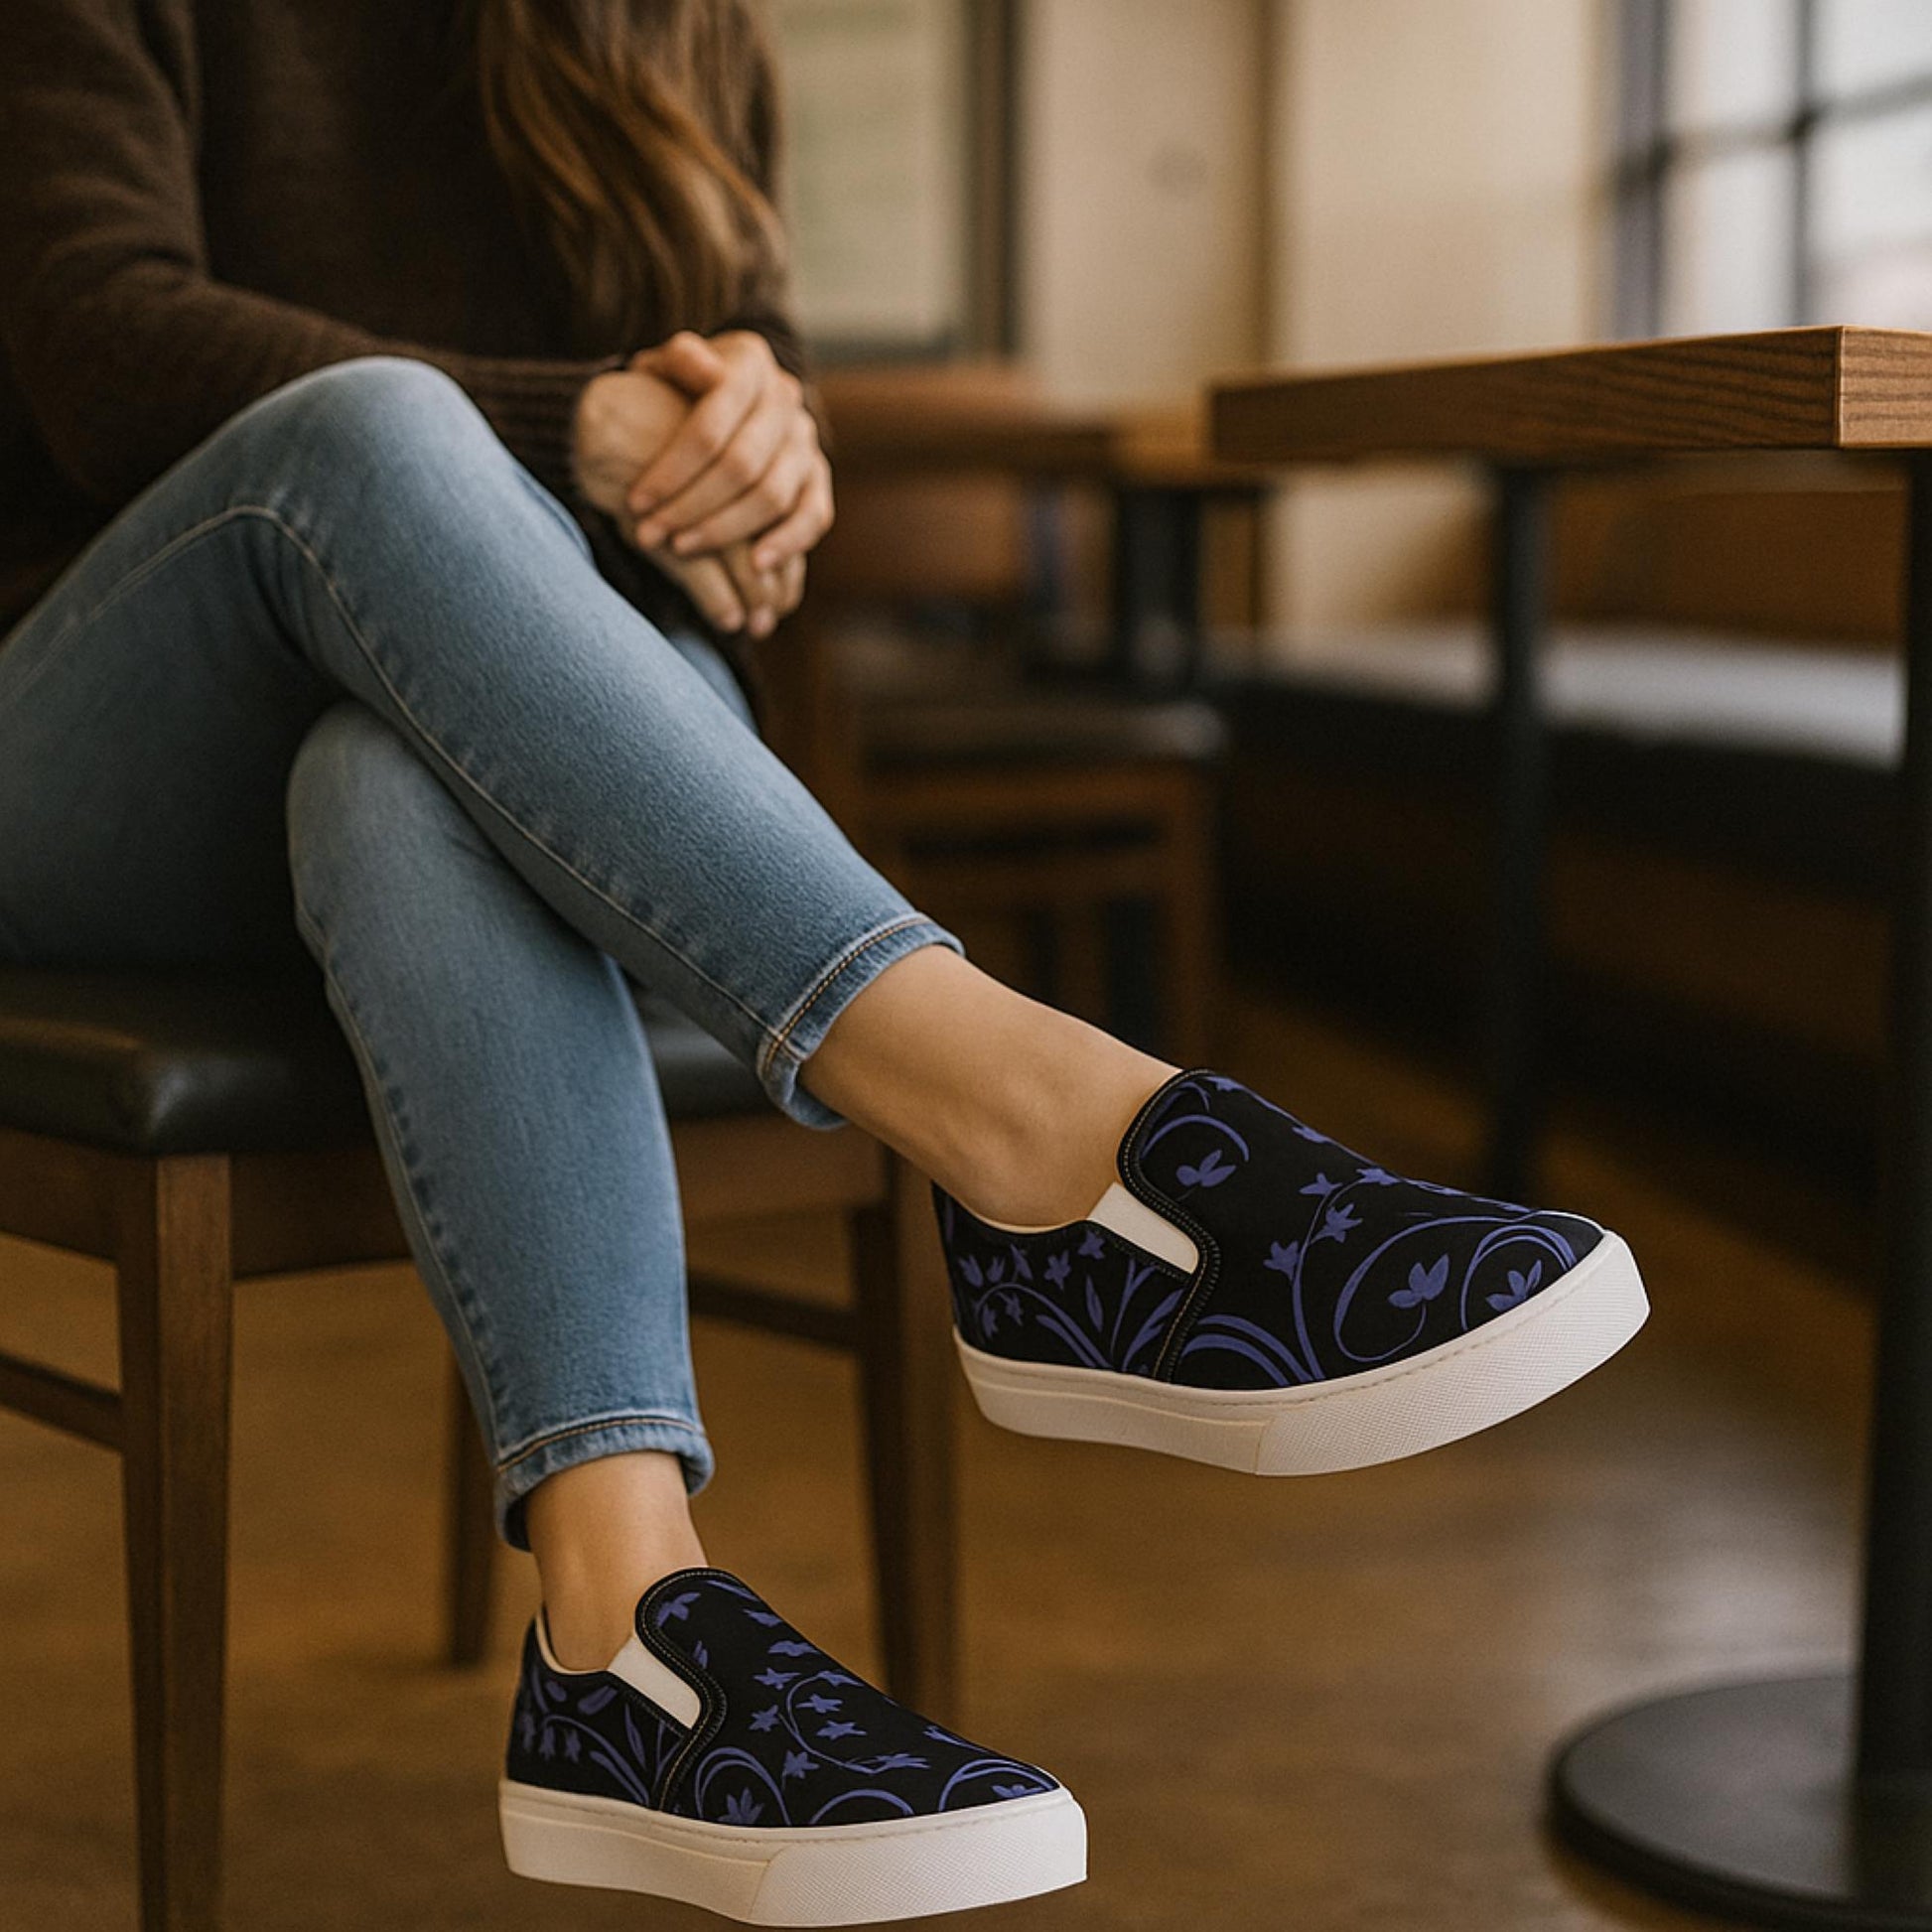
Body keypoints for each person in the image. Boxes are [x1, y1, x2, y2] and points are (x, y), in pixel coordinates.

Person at [0, 1, 1649, 1921]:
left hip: (498, 720)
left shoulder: (673, 20)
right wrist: (577, 426)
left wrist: (758, 456)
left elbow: (737, 382)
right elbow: (100, 341)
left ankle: (622, 1636)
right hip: (109, 732)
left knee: (396, 778)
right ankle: (1041, 1136)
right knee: (374, 437)